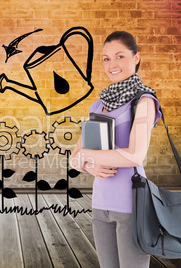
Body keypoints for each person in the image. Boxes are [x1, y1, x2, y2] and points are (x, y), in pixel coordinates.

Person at [70, 31, 163, 268]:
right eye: (106, 58)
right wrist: (90, 166)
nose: (112, 64)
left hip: (132, 204)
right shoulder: (98, 105)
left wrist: (86, 157)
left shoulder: (144, 101)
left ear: (136, 58)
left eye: (120, 56)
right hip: (101, 204)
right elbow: (74, 158)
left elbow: (135, 155)